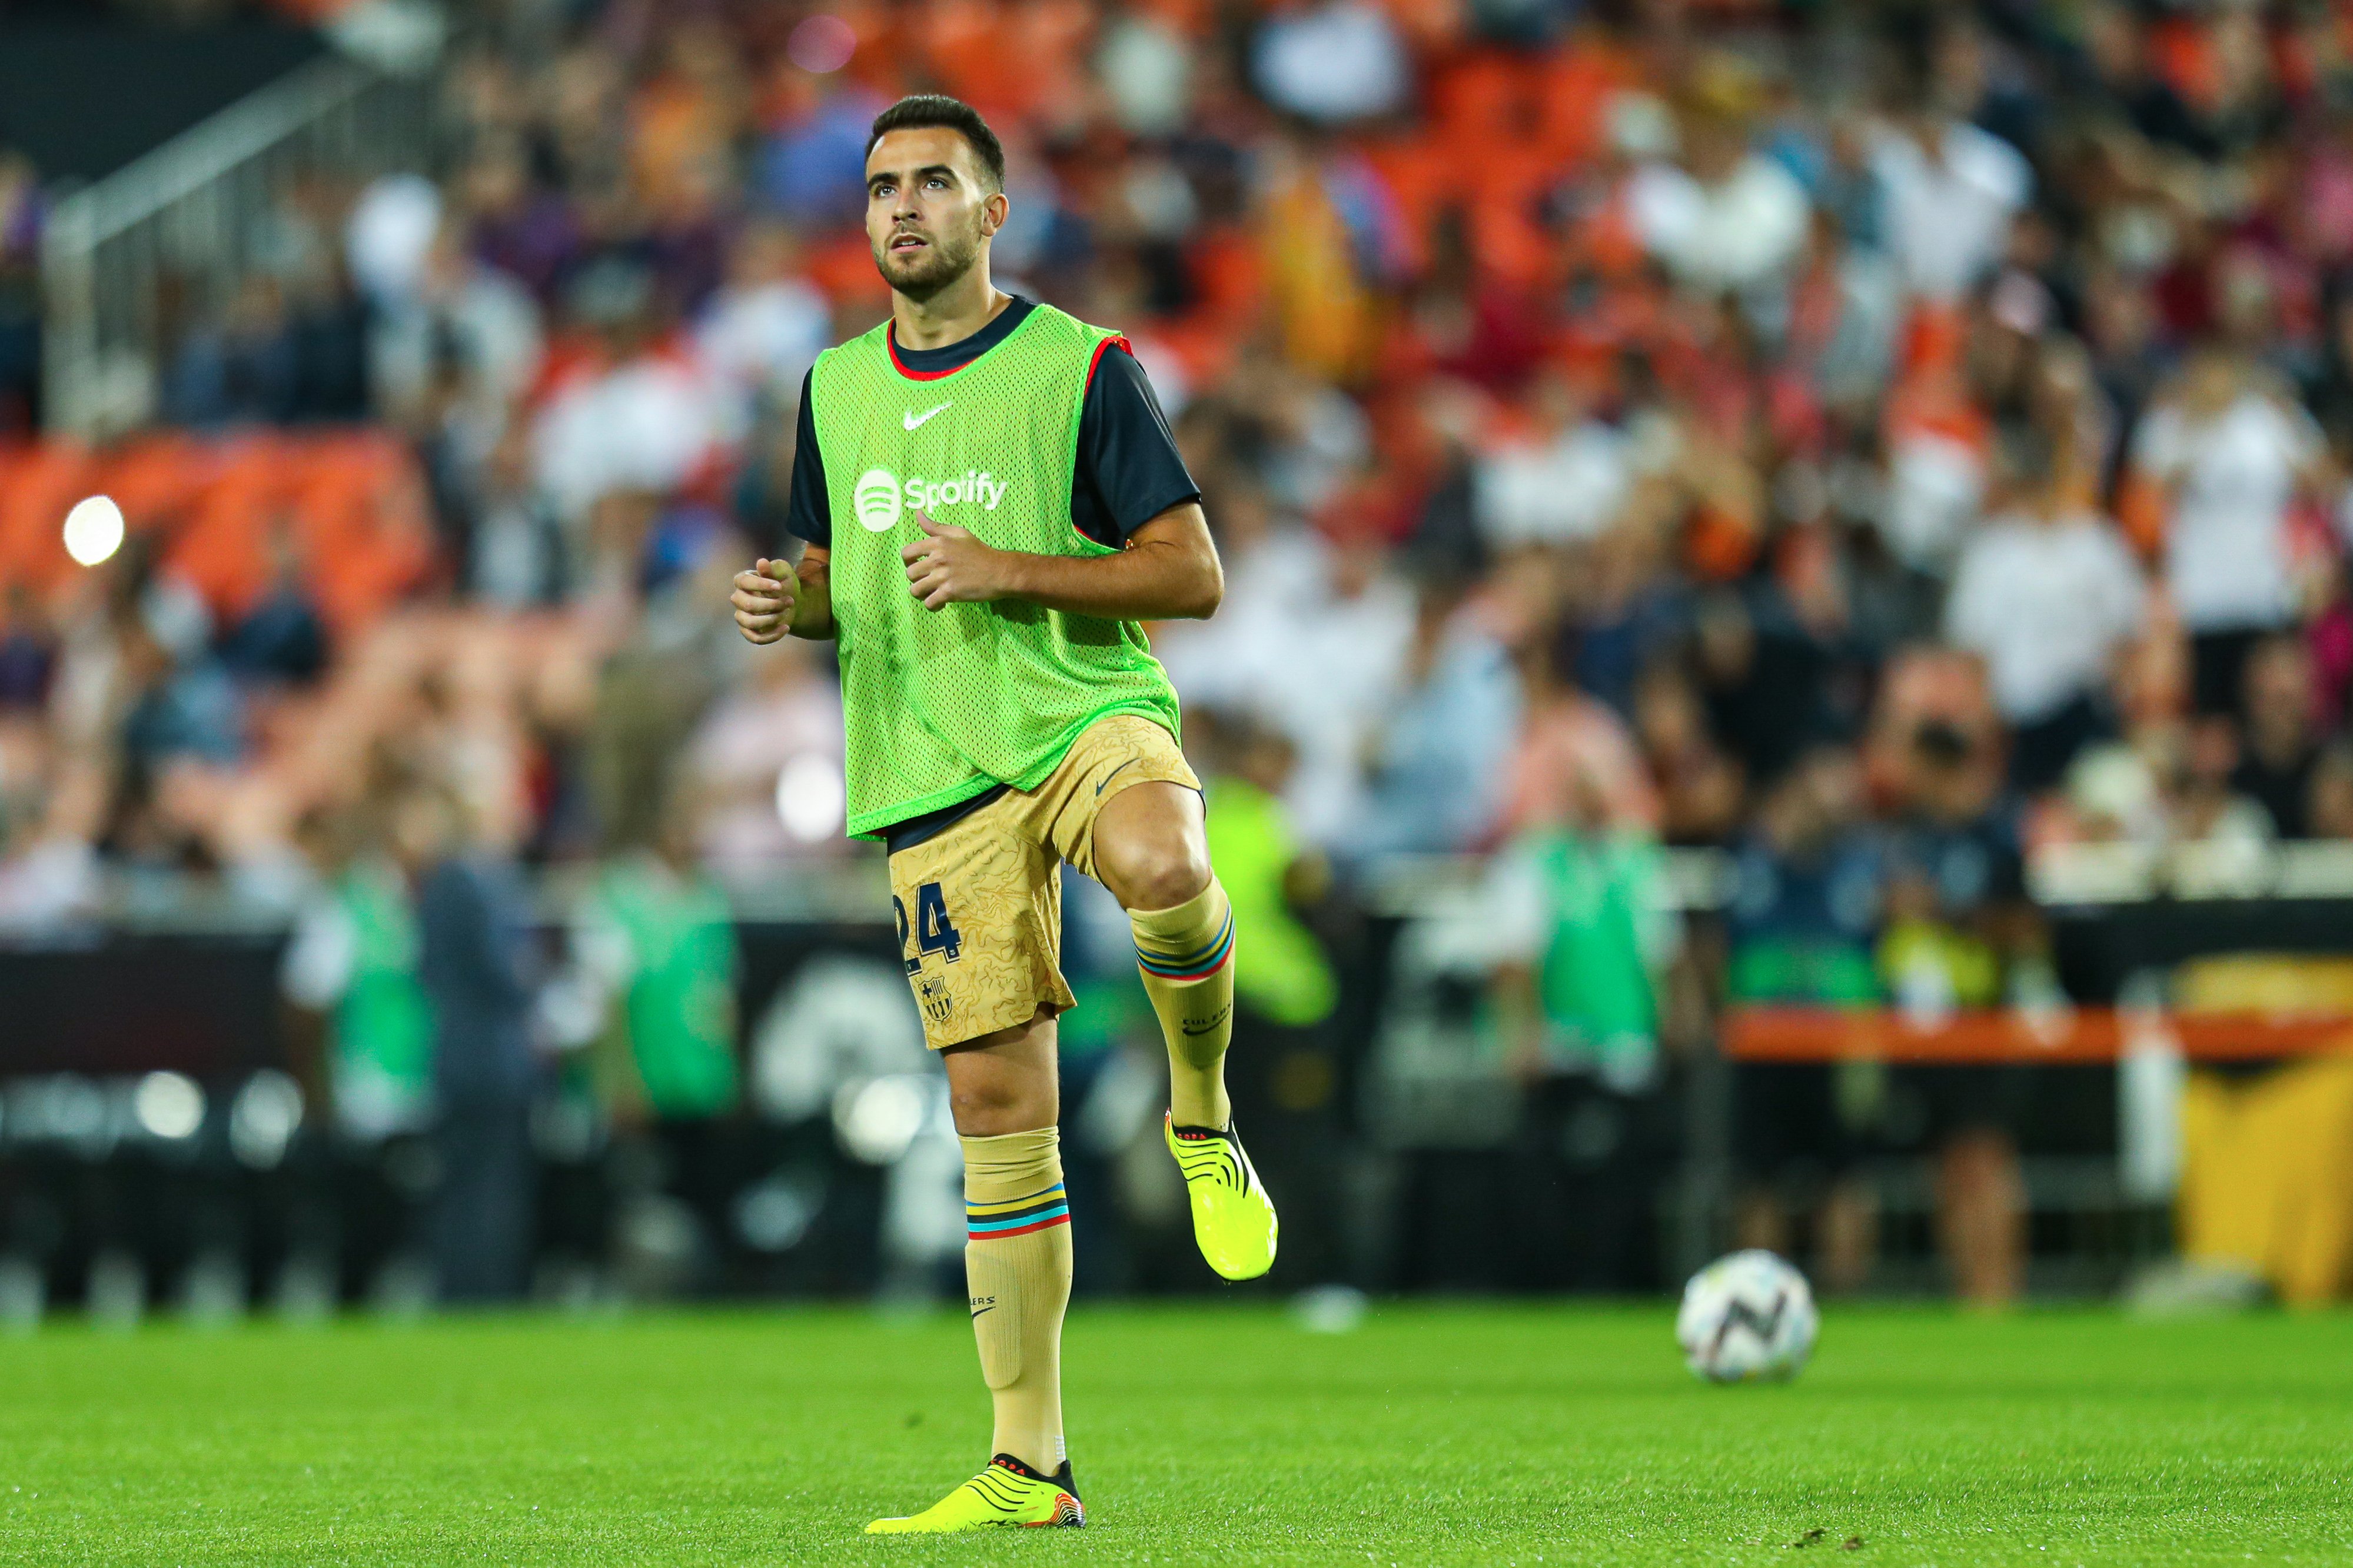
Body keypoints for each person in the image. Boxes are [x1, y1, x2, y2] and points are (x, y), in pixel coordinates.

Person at [727, 95, 1274, 1533]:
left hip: (1082, 716)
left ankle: (1202, 1113)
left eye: (933, 183)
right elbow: (845, 584)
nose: (901, 206)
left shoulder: (1078, 367)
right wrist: (794, 607)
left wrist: (1010, 568)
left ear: (991, 214)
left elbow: (1191, 573)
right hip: (928, 771)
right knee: (992, 1109)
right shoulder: (832, 392)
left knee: (1166, 864)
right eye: (881, 186)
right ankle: (1030, 1461)